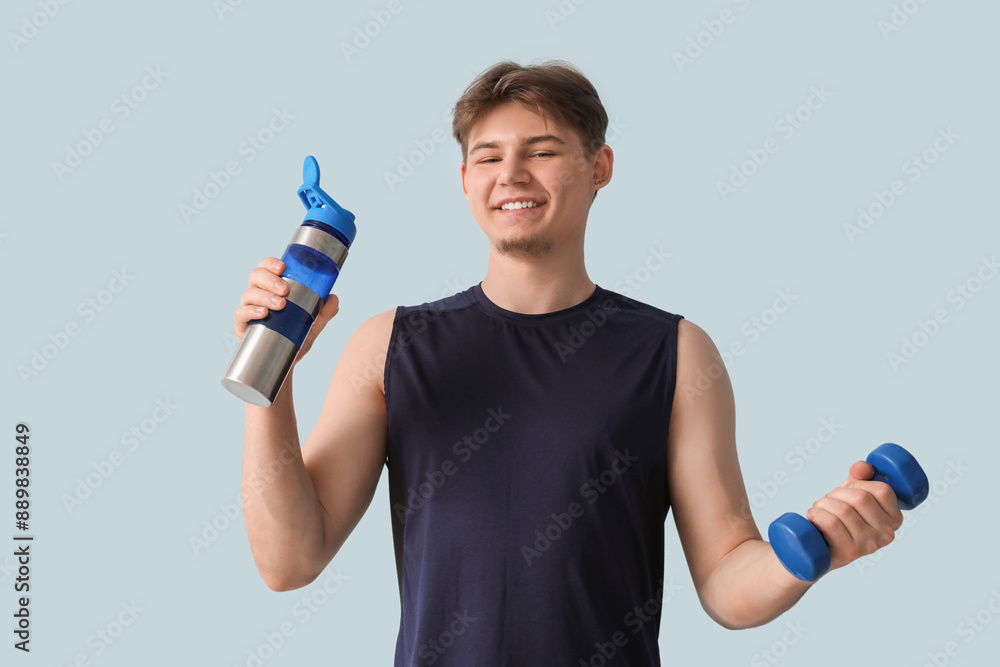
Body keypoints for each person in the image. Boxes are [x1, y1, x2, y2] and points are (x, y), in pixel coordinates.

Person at [233, 61, 904, 666]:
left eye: (542, 151)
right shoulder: (390, 345)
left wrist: (808, 552)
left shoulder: (673, 352)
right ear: (466, 181)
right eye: (488, 156)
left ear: (599, 166)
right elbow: (288, 559)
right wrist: (275, 372)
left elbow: (729, 580)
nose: (511, 174)